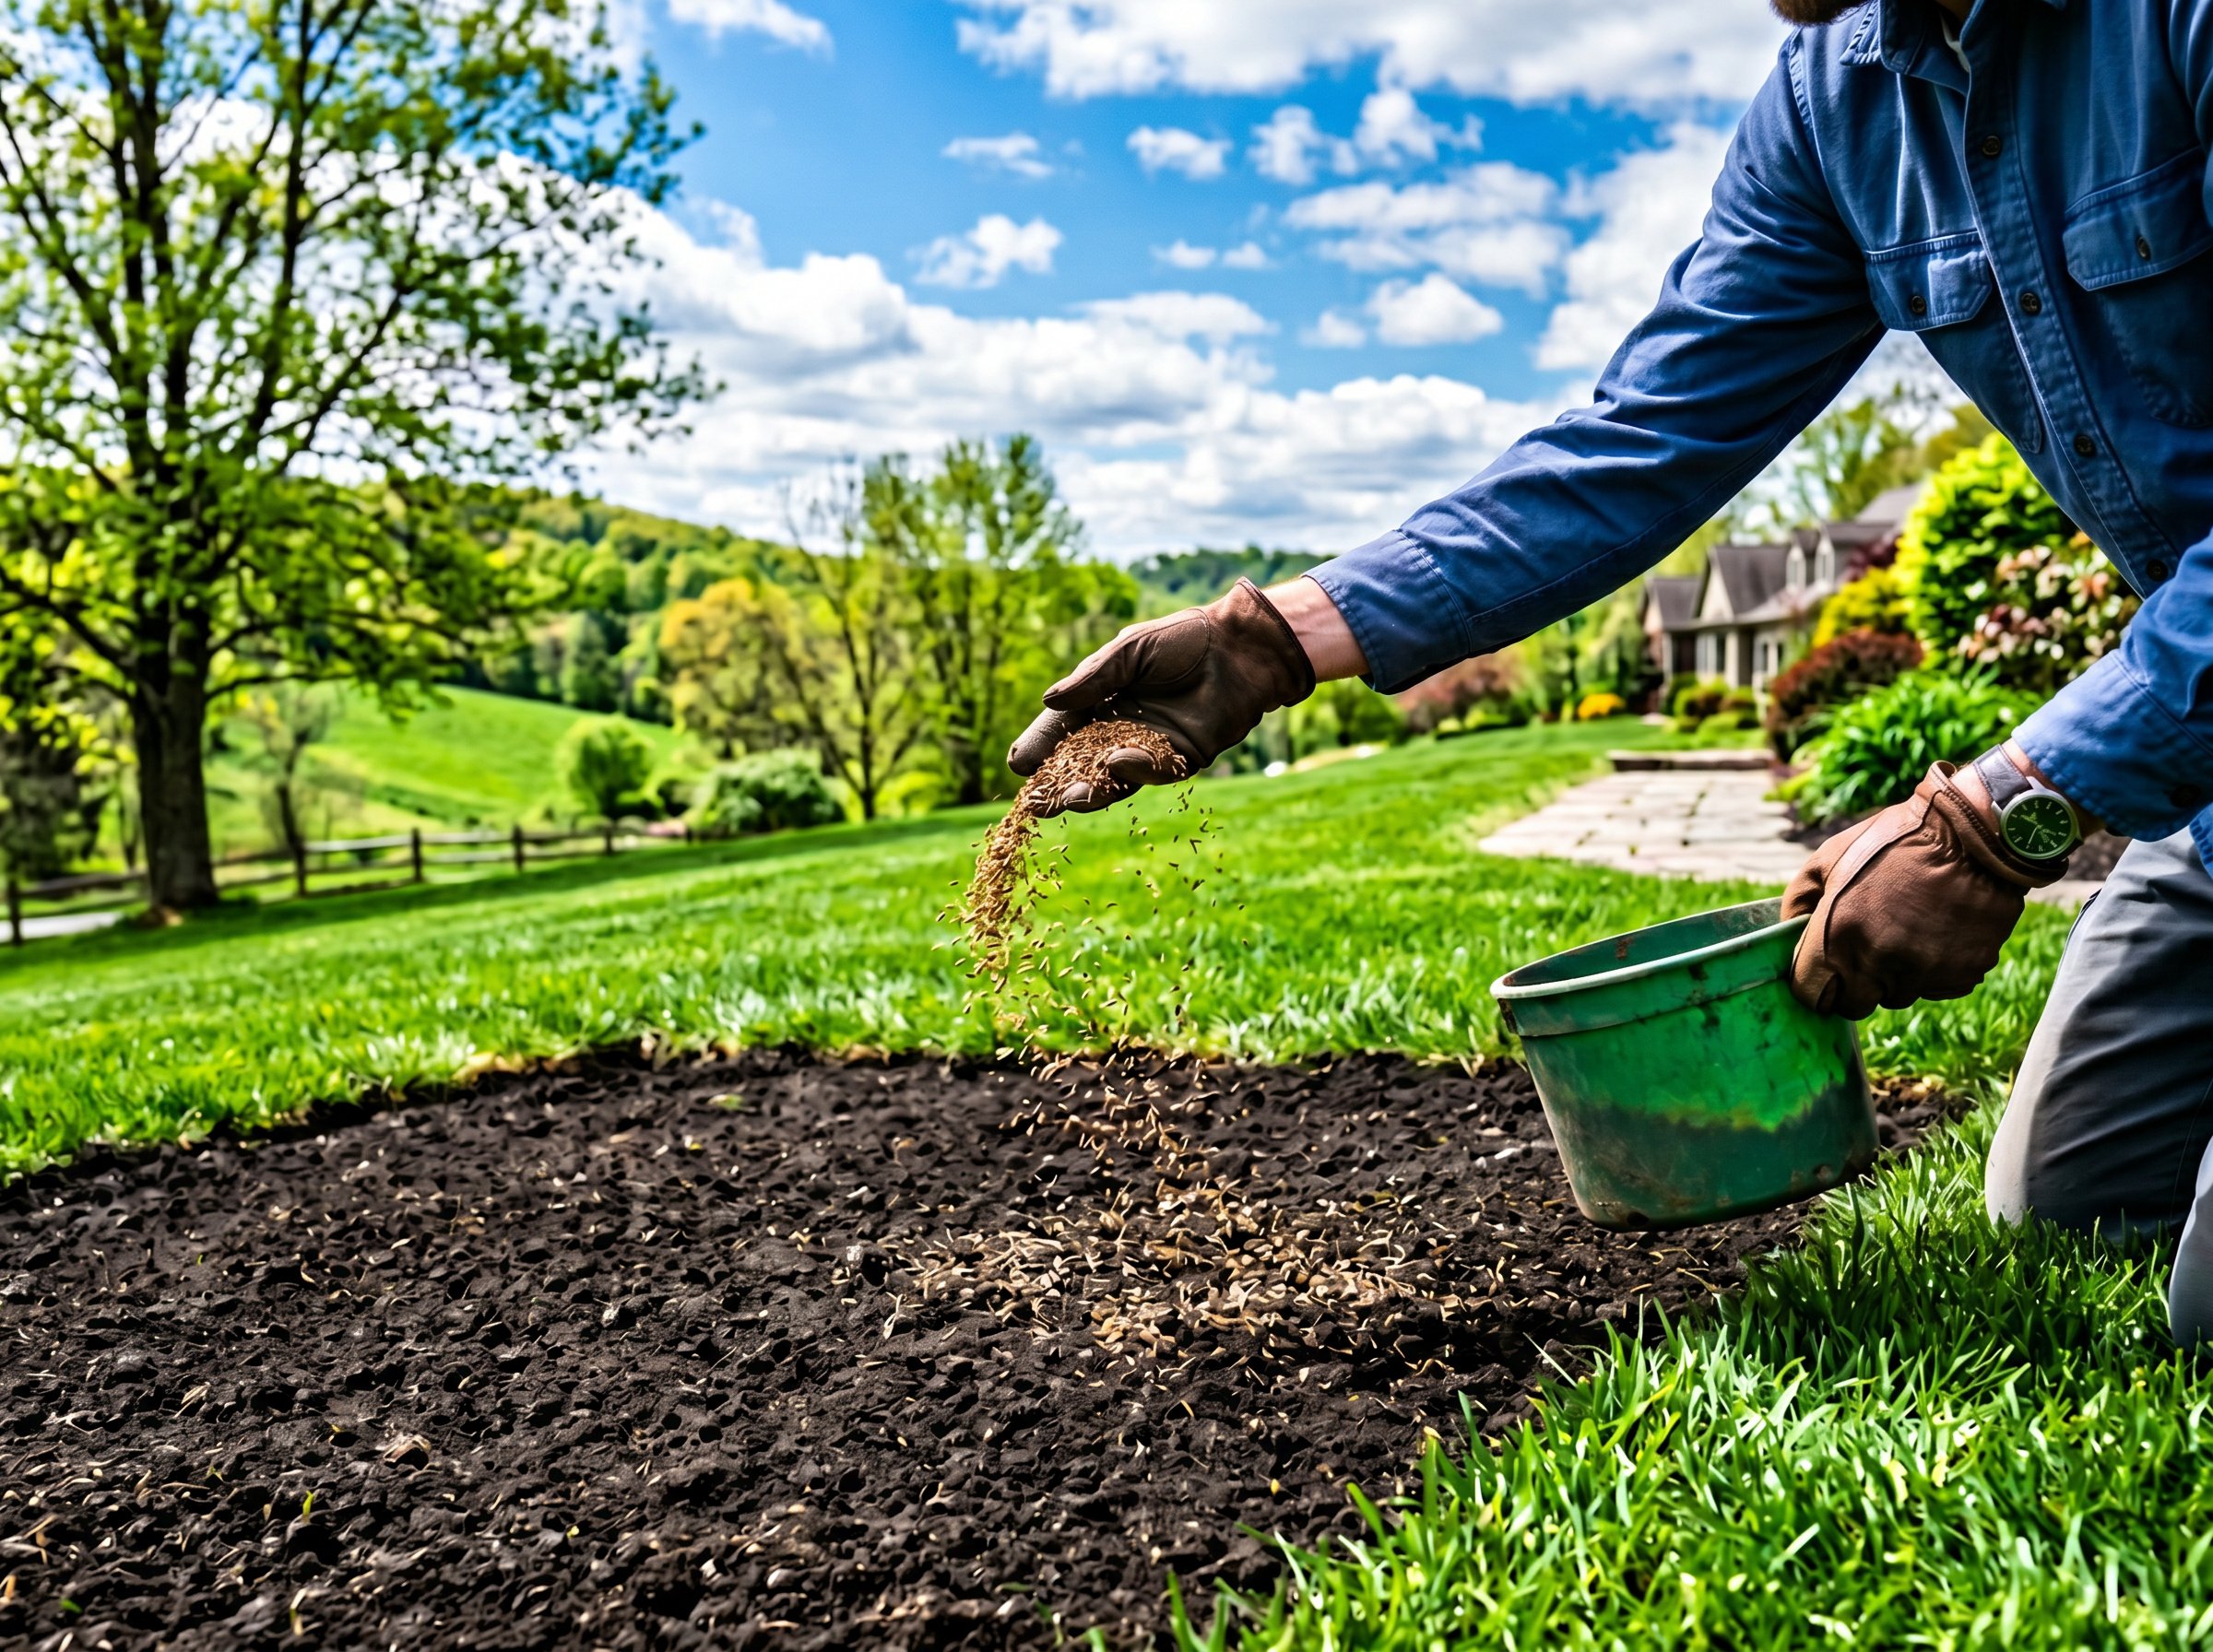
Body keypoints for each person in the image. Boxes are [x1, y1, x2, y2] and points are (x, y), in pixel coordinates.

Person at [1007, 0, 2213, 1344]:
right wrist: (1274, 640)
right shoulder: (1837, 105)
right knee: (2065, 1218)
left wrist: (1995, 819)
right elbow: (1639, 440)